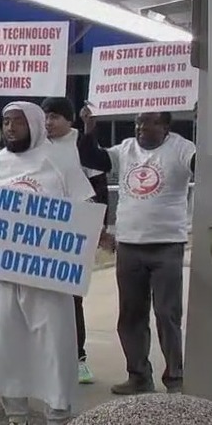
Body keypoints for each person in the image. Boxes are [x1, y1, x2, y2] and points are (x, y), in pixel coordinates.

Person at [0, 101, 95, 425]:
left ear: (33, 123)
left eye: (17, 122)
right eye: (5, 122)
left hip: (48, 278)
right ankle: (16, 416)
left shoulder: (60, 161)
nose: (10, 128)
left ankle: (58, 414)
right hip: (6, 277)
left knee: (54, 349)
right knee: (8, 347)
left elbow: (84, 209)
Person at [77, 108, 194, 395]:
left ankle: (175, 379)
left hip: (167, 245)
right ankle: (138, 375)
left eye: (149, 122)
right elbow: (95, 159)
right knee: (131, 316)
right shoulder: (126, 148)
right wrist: (88, 130)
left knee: (167, 314)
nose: (141, 127)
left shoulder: (181, 148)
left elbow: (199, 164)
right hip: (129, 245)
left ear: (166, 126)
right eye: (138, 121)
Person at [42, 97, 110, 385]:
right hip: (40, 234)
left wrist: (98, 228)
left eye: (55, 116)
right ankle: (46, 359)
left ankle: (78, 359)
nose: (48, 122)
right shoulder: (36, 143)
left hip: (73, 233)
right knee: (42, 300)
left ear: (69, 119)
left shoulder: (81, 143)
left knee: (71, 300)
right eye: (45, 116)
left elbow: (99, 188)